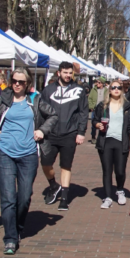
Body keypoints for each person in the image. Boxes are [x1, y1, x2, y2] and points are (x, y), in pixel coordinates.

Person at [0, 69, 57, 254]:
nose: (17, 84)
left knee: (24, 196)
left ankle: (18, 227)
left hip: (28, 154)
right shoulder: (3, 100)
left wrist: (42, 130)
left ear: (27, 84)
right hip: (4, 153)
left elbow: (53, 115)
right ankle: (10, 238)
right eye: (14, 81)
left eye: (21, 81)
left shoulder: (34, 101)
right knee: (8, 197)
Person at [40, 61, 89, 212]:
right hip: (50, 134)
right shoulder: (48, 90)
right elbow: (41, 111)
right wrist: (41, 130)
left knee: (65, 166)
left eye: (70, 73)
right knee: (45, 163)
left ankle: (64, 198)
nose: (68, 75)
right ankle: (54, 185)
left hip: (69, 133)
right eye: (65, 72)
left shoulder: (78, 90)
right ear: (59, 73)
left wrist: (81, 132)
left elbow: (83, 112)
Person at [91, 79, 130, 208]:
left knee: (120, 171)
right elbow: (94, 120)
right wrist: (97, 124)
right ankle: (107, 197)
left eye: (119, 87)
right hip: (105, 141)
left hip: (122, 142)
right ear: (109, 90)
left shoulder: (127, 106)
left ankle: (120, 190)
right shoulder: (102, 106)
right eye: (113, 87)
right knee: (107, 170)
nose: (116, 90)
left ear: (122, 90)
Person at [87, 79, 107, 143]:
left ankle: (102, 137)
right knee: (94, 123)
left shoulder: (106, 90)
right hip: (95, 109)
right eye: (97, 82)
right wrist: (91, 106)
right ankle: (93, 137)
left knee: (103, 124)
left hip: (103, 109)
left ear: (102, 83)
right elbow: (89, 98)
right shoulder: (94, 90)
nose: (97, 83)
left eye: (99, 82)